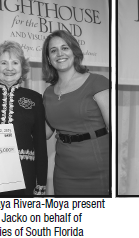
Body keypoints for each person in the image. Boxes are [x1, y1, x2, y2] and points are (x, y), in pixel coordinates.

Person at [42, 30, 110, 195]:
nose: (60, 54)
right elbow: (46, 132)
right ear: (49, 60)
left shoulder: (97, 82)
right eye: (53, 50)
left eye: (64, 48)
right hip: (64, 171)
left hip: (98, 167)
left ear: (74, 52)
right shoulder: (49, 93)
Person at [0, 41, 47, 196]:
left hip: (24, 174)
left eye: (15, 62)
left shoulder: (35, 98)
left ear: (22, 68)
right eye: (3, 62)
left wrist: (41, 182)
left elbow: (40, 144)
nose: (9, 68)